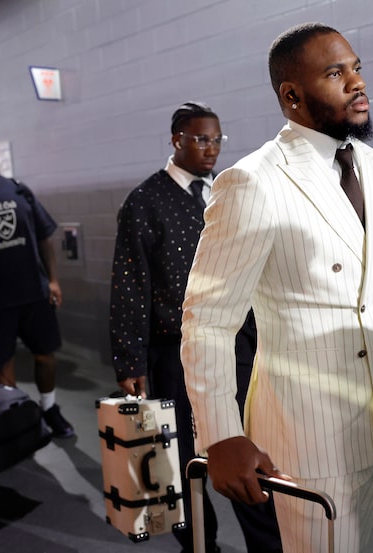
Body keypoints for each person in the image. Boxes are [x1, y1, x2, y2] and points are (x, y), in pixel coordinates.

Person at [180, 23, 373, 552]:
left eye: (356, 68)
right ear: (291, 95)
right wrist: (221, 435)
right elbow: (209, 320)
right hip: (307, 434)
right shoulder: (254, 182)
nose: (357, 83)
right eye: (336, 74)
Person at [109, 101, 282, 553]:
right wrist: (129, 359)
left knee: (246, 446)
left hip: (241, 343)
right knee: (186, 458)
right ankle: (199, 544)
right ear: (177, 140)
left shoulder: (227, 190)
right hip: (175, 350)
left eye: (218, 139)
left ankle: (267, 543)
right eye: (202, 139)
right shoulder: (145, 201)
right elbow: (130, 285)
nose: (212, 148)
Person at [0, 131, 74, 439]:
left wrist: (54, 281)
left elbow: (45, 237)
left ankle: (49, 408)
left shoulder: (18, 190)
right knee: (2, 367)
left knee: (46, 355)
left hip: (34, 292)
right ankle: (16, 420)